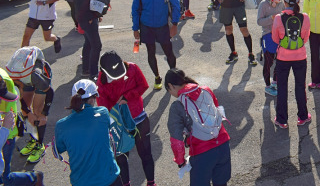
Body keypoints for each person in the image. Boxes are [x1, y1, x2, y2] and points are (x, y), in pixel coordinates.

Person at [97, 51, 156, 186]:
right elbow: (103, 107)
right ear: (103, 71)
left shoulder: (133, 68)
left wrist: (127, 97)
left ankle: (151, 183)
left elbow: (143, 86)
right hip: (119, 126)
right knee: (122, 160)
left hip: (139, 119)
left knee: (146, 154)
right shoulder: (101, 81)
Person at [165, 68, 231, 186]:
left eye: (169, 90)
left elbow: (176, 140)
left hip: (202, 152)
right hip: (223, 144)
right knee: (221, 183)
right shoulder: (206, 90)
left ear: (170, 86)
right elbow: (217, 112)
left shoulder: (177, 106)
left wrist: (180, 161)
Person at [53, 79, 122, 186]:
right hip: (109, 178)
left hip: (81, 181)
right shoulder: (103, 113)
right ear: (91, 99)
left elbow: (59, 149)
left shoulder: (61, 125)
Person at [131, 0, 182, 90]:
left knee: (169, 52)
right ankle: (157, 77)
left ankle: (173, 76)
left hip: (162, 26)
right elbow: (135, 10)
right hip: (146, 27)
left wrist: (174, 24)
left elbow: (176, 6)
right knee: (150, 52)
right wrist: (135, 28)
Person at [5, 46, 53, 165]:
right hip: (23, 77)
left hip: (38, 76)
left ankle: (40, 145)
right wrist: (27, 112)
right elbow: (19, 99)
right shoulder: (10, 80)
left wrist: (44, 113)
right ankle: (33, 139)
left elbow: (50, 92)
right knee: (26, 111)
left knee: (37, 112)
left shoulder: (36, 77)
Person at [271, 0, 312, 128]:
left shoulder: (278, 18)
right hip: (300, 56)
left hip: (283, 57)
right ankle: (303, 117)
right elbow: (305, 38)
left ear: (285, 2)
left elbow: (275, 38)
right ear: (298, 1)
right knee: (300, 86)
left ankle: (282, 120)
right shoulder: (305, 17)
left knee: (282, 87)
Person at [72, 0, 102, 80]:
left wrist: (97, 14)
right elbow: (81, 4)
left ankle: (86, 69)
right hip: (87, 19)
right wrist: (89, 17)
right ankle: (93, 73)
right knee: (97, 45)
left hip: (89, 17)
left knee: (89, 43)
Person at [0, 107, 42, 185]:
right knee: (4, 178)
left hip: (7, 138)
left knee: (6, 178)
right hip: (5, 135)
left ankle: (34, 177)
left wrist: (5, 128)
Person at [257, 0, 283, 96]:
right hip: (268, 35)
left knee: (280, 61)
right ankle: (267, 86)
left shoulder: (282, 2)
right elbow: (259, 21)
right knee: (268, 62)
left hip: (280, 35)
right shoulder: (263, 4)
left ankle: (275, 83)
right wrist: (272, 18)